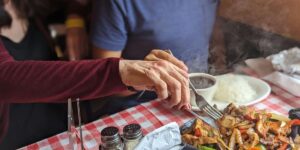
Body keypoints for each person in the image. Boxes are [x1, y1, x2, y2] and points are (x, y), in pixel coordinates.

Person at [90, 0, 219, 115]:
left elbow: (216, 38)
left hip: (206, 101)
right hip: (140, 106)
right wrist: (146, 75)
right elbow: (104, 81)